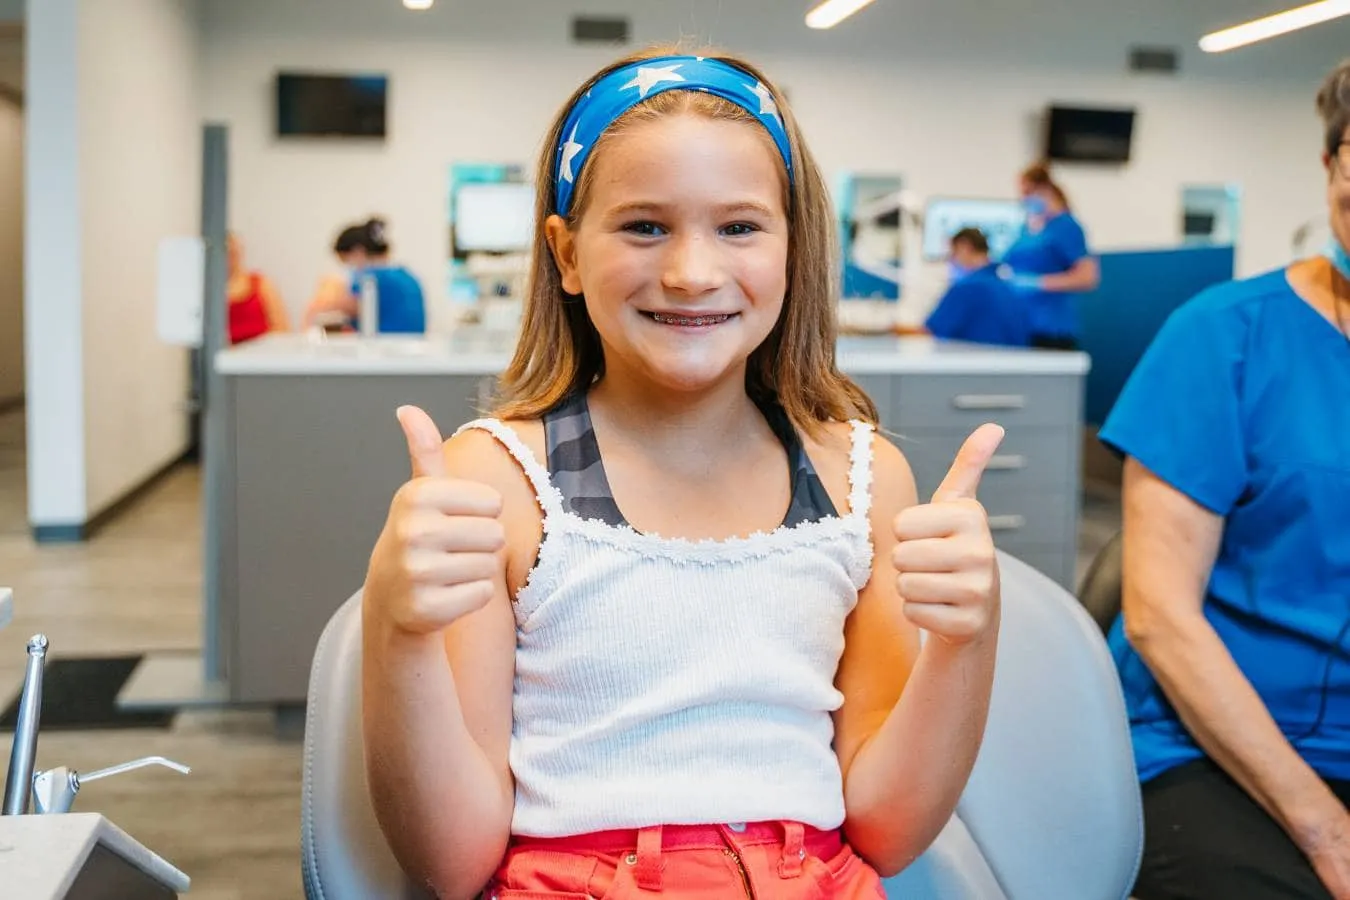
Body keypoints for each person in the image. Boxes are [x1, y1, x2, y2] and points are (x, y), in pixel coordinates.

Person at [359, 46, 1006, 900]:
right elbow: (453, 862)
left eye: (739, 227)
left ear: (793, 249)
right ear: (566, 255)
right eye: (644, 225)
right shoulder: (498, 478)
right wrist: (394, 626)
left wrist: (969, 638)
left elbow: (888, 831)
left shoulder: (864, 480)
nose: (692, 273)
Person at [1098, 58, 1350, 900]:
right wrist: (1325, 827)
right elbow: (1162, 619)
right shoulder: (1222, 338)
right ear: (1329, 165)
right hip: (1213, 743)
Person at [1000, 162, 1100, 349]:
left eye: (1028, 193)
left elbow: (1088, 277)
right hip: (1021, 326)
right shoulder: (1026, 229)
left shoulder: (1066, 227)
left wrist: (1038, 283)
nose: (1023, 199)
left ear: (1045, 190)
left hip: (1052, 330)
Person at [303, 217, 426, 333]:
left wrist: (318, 306)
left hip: (385, 350)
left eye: (345, 260)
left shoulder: (371, 278)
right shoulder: (406, 277)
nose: (347, 268)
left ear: (358, 252)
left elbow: (350, 306)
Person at [920, 227, 1031, 347]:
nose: (952, 260)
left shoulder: (966, 288)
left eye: (953, 253)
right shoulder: (1010, 288)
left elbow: (931, 330)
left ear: (964, 247)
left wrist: (898, 330)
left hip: (974, 362)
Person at [226, 232, 289, 344]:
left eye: (232, 252)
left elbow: (282, 329)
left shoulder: (262, 284)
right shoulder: (207, 291)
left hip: (261, 353)